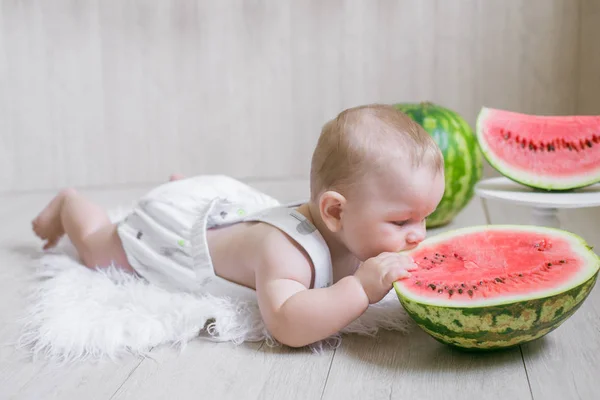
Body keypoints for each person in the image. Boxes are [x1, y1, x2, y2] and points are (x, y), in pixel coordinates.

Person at [32, 104, 445, 348]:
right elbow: (286, 322)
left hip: (227, 206)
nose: (418, 235)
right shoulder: (287, 254)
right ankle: (70, 204)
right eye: (401, 220)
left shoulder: (352, 230)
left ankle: (186, 187)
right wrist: (357, 289)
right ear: (334, 212)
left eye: (424, 217)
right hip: (174, 239)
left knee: (231, 217)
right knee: (102, 250)